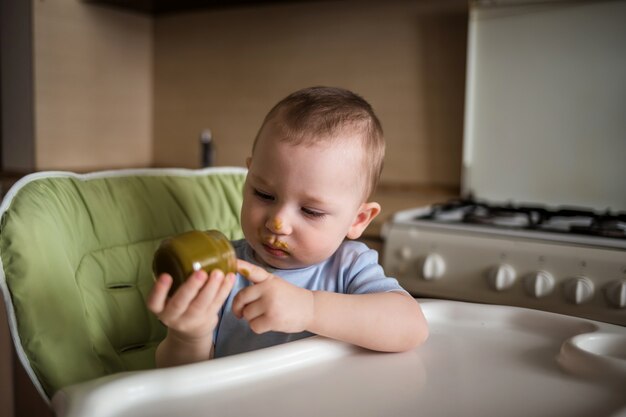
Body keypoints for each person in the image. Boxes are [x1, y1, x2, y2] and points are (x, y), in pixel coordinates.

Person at [147, 86, 429, 367]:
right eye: (264, 195)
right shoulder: (222, 271)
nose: (277, 222)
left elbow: (411, 326)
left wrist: (310, 309)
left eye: (311, 211)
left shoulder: (349, 267)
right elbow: (180, 380)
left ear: (357, 220)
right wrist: (188, 336)